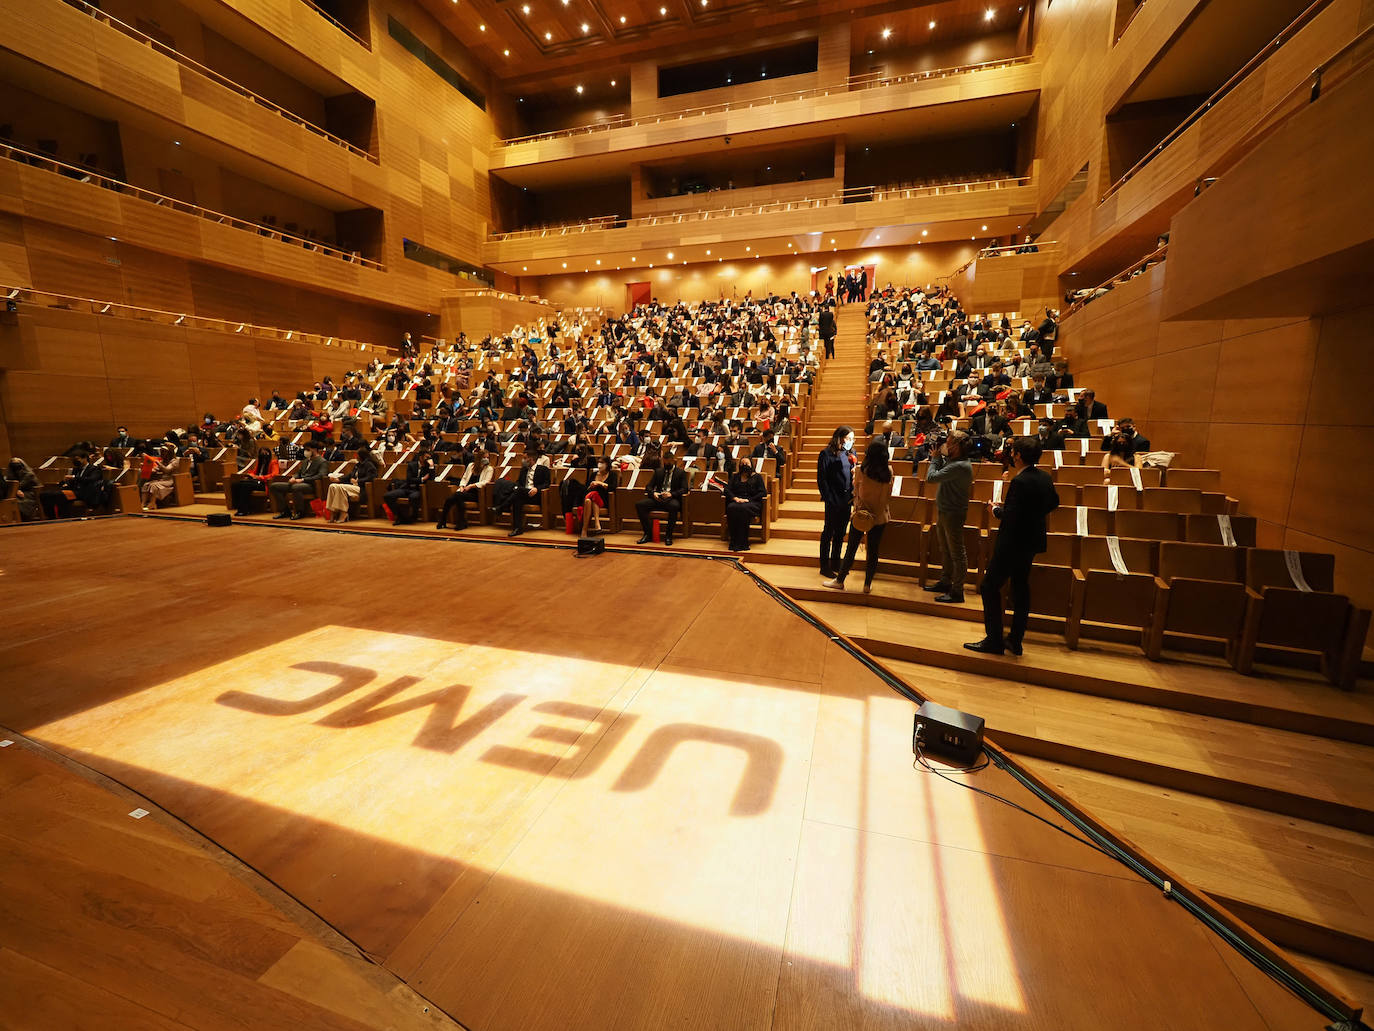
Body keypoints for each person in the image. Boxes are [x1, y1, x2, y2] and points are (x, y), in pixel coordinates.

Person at [966, 437, 1060, 656]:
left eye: (1013, 452)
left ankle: (994, 641)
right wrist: (1032, 515)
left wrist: (995, 510)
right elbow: (1053, 503)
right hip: (1031, 542)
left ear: (1018, 455)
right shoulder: (1044, 477)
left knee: (989, 587)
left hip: (1012, 543)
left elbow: (1011, 517)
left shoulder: (1020, 481)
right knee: (1020, 589)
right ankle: (1015, 641)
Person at [823, 440, 893, 594]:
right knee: (873, 551)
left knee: (851, 548)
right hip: (880, 517)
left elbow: (856, 492)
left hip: (861, 515)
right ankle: (867, 584)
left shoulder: (861, 470)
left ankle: (840, 580)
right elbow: (888, 495)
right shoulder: (889, 471)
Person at [924, 430, 974, 603]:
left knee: (957, 553)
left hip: (953, 513)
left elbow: (931, 477)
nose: (946, 444)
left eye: (949, 442)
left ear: (958, 446)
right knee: (945, 549)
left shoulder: (960, 466)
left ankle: (957, 591)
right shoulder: (954, 462)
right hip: (945, 510)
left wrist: (936, 457)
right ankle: (946, 582)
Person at [817, 425, 854, 579]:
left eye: (853, 439)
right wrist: (828, 498)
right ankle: (824, 566)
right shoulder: (826, 454)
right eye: (848, 439)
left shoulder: (850, 453)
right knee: (829, 532)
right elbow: (822, 479)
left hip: (847, 498)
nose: (851, 442)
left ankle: (836, 563)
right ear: (840, 438)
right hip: (833, 498)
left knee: (840, 532)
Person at [635, 450, 689, 545]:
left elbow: (684, 489)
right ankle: (648, 533)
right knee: (640, 505)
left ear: (673, 461)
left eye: (668, 462)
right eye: (665, 462)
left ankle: (668, 536)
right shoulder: (658, 471)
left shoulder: (680, 473)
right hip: (658, 498)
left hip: (671, 499)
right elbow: (649, 486)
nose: (666, 464)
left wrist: (671, 494)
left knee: (674, 506)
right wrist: (653, 493)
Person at [492, 450, 550, 537]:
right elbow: (519, 482)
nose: (523, 460)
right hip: (523, 493)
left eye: (525, 458)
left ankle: (501, 507)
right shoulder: (523, 470)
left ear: (531, 459)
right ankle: (518, 528)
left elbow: (547, 484)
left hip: (536, 495)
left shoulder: (543, 469)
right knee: (517, 498)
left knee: (518, 492)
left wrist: (537, 489)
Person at [270, 443, 328, 520]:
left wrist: (302, 480)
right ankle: (285, 510)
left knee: (296, 487)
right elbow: (299, 473)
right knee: (274, 486)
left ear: (314, 450)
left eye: (308, 450)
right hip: (298, 483)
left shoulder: (322, 461)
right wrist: (293, 478)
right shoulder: (305, 461)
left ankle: (299, 512)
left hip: (310, 484)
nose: (305, 452)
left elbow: (321, 475)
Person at [437, 452, 493, 530]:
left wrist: (471, 486)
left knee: (456, 496)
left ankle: (443, 520)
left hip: (477, 493)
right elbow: (464, 478)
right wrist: (462, 486)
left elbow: (486, 482)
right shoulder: (471, 466)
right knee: (453, 499)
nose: (486, 459)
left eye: (488, 457)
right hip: (464, 491)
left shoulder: (489, 469)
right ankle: (460, 522)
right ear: (479, 458)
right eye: (484, 457)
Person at [382, 446, 435, 525]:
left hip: (418, 489)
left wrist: (431, 467)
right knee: (388, 496)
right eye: (426, 457)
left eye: (429, 458)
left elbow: (431, 480)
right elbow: (409, 479)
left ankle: (413, 517)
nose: (428, 460)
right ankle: (400, 516)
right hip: (407, 487)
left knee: (414, 497)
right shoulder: (411, 465)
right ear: (421, 457)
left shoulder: (429, 467)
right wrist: (422, 479)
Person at [324, 447, 379, 522]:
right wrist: (338, 479)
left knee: (341, 487)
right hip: (352, 487)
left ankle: (343, 513)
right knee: (332, 486)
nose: (355, 456)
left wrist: (358, 481)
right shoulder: (358, 465)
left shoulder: (369, 464)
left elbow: (372, 477)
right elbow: (350, 475)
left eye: (357, 455)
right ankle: (333, 513)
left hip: (361, 488)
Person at [724, 457, 767, 552]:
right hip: (737, 501)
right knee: (731, 507)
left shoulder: (757, 477)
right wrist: (735, 498)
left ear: (751, 465)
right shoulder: (735, 476)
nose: (745, 466)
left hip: (752, 502)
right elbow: (727, 489)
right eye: (742, 464)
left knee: (743, 509)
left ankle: (743, 542)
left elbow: (762, 493)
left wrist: (748, 500)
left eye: (747, 464)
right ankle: (734, 541)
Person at [230, 447, 280, 516]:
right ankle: (238, 506)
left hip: (264, 483)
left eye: (265, 453)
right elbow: (255, 472)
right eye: (262, 453)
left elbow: (274, 474)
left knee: (245, 486)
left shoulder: (273, 462)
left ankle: (244, 509)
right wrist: (250, 475)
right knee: (236, 484)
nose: (263, 455)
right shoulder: (259, 462)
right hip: (255, 481)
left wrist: (260, 477)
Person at [579, 456, 617, 536]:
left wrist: (600, 483)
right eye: (599, 462)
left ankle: (584, 529)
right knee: (589, 500)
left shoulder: (612, 474)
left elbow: (612, 488)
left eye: (602, 463)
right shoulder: (593, 474)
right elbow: (587, 489)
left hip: (604, 500)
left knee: (592, 497)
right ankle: (595, 524)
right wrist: (591, 485)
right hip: (590, 498)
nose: (600, 465)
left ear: (607, 464)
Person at [140, 446, 178, 511]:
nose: (162, 453)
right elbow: (157, 469)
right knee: (146, 485)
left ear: (169, 453)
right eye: (161, 452)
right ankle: (143, 504)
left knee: (154, 485)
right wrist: (148, 467)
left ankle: (152, 503)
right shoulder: (163, 461)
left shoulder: (175, 461)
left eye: (164, 452)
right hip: (161, 480)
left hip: (170, 480)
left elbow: (167, 470)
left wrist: (157, 462)